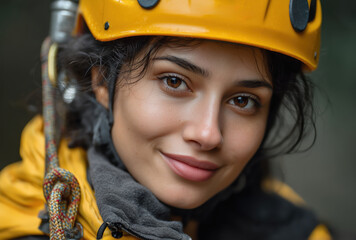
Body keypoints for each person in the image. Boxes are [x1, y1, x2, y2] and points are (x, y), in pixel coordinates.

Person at [0, 0, 332, 239]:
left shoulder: (295, 229)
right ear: (102, 81)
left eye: (242, 101)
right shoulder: (20, 224)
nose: (208, 133)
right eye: (174, 81)